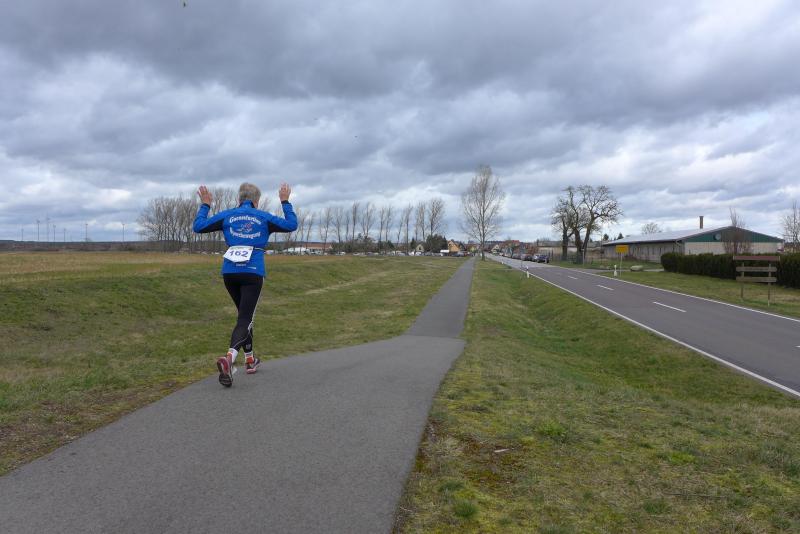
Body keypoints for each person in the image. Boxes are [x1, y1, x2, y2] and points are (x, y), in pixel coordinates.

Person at [193, 182, 297, 387]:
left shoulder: (228, 215)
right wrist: (285, 202)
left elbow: (198, 226)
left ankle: (250, 359)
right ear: (256, 201)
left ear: (239, 200)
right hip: (252, 272)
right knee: (245, 319)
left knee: (244, 316)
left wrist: (205, 205)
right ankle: (229, 358)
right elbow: (291, 225)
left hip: (230, 273)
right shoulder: (263, 217)